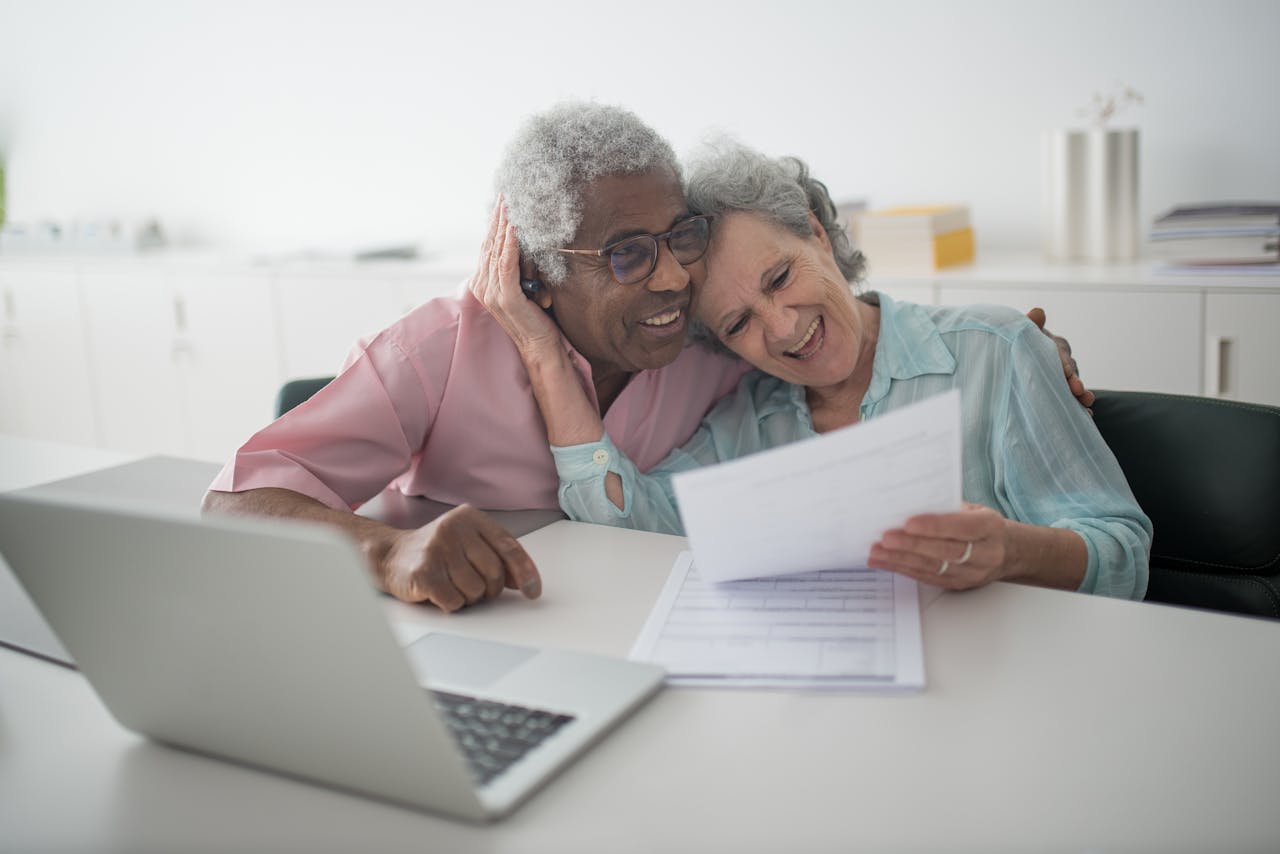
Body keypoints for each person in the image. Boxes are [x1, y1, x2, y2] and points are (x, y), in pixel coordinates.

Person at [204, 102, 1090, 612]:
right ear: (540, 275)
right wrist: (384, 552)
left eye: (681, 237)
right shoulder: (439, 351)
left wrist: (1022, 346)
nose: (673, 277)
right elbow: (232, 504)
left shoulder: (717, 345)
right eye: (628, 253)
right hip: (455, 643)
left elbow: (839, 334)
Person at [472, 143, 1151, 599]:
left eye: (780, 276)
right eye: (738, 324)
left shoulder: (995, 351)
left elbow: (1123, 554)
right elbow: (625, 531)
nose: (784, 327)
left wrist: (1010, 552)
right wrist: (542, 353)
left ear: (817, 234)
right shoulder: (748, 420)